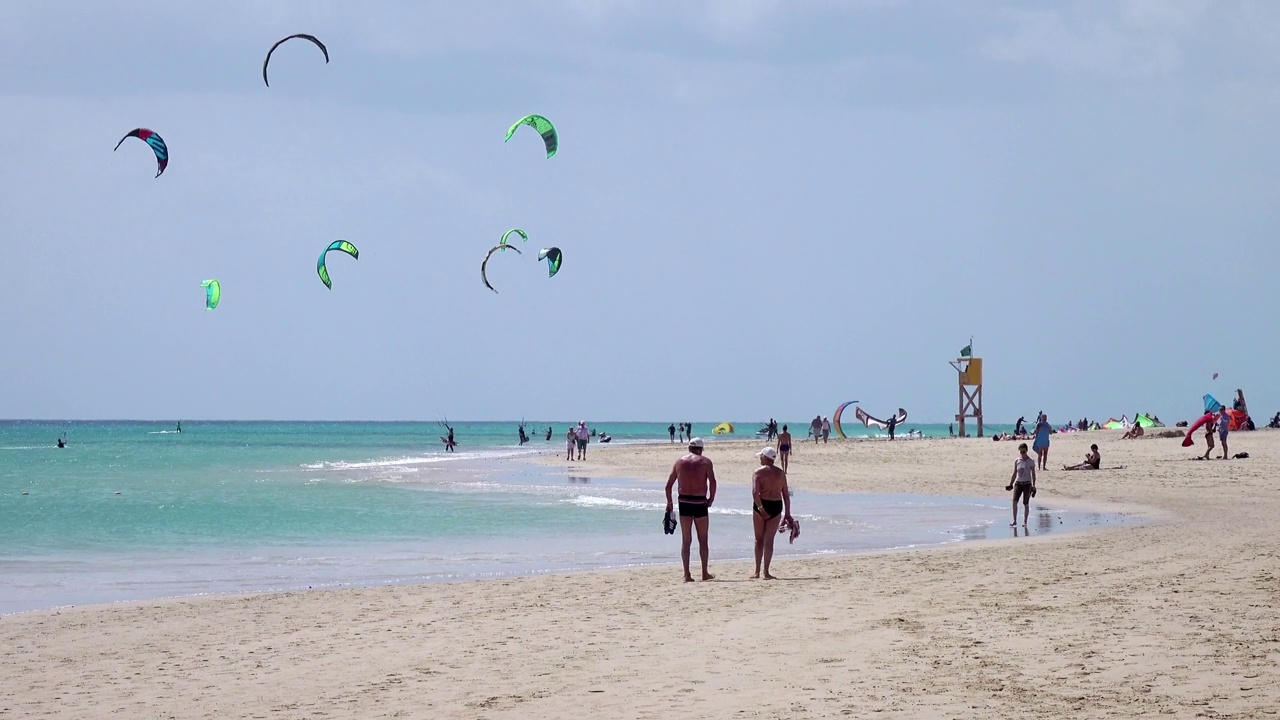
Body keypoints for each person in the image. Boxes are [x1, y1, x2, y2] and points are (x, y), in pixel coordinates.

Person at [664, 438, 717, 582]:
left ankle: (687, 574)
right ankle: (704, 573)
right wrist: (711, 499)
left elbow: (668, 486)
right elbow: (712, 481)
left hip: (684, 501)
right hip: (700, 501)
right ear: (701, 449)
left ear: (689, 448)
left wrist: (670, 502)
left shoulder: (679, 462)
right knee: (703, 539)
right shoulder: (706, 462)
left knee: (686, 540)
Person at [750, 447, 792, 580]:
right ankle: (766, 572)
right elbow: (786, 496)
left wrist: (761, 509)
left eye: (760, 456)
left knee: (759, 540)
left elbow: (755, 493)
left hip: (761, 504)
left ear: (764, 457)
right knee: (769, 541)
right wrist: (788, 514)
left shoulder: (758, 472)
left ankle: (757, 571)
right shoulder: (781, 473)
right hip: (776, 505)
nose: (759, 458)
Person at [1006, 442, 1037, 526]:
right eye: (1021, 452)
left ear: (1027, 451)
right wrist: (1011, 484)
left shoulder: (1030, 461)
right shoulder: (1017, 461)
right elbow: (1014, 473)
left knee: (1026, 503)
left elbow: (1033, 474)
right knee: (1014, 501)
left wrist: (1033, 485)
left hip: (1027, 484)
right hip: (1018, 483)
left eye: (1024, 451)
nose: (1022, 453)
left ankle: (1025, 521)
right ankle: (1014, 520)